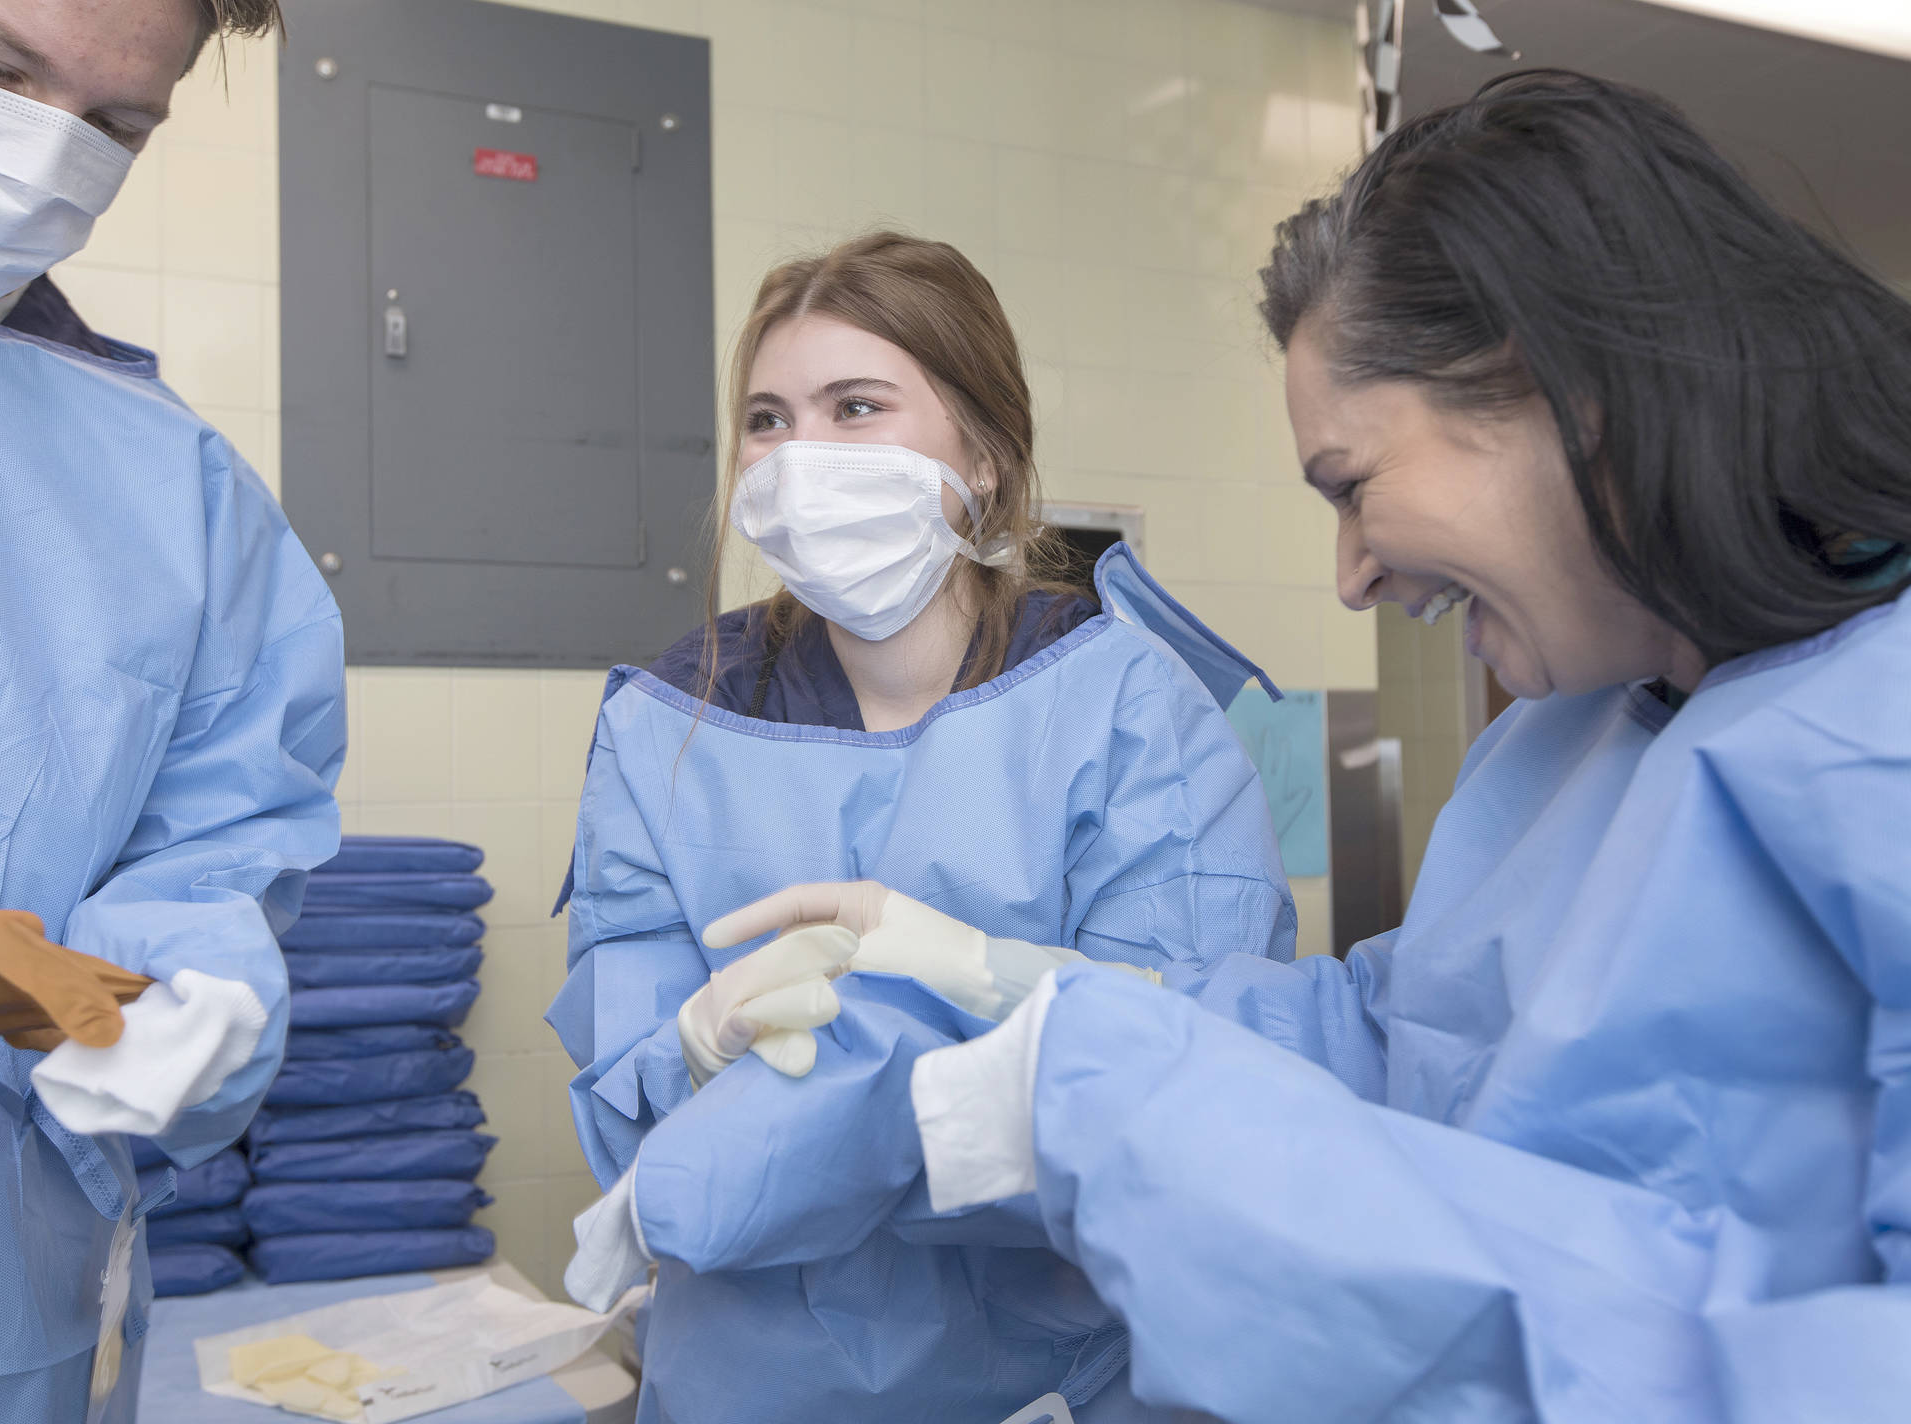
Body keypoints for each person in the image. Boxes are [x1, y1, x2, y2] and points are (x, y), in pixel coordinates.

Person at [704, 71, 1911, 1421]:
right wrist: (1026, 994)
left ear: (1573, 395)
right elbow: (1406, 1041)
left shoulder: (1872, 748)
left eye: (1352, 486)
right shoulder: (1573, 742)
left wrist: (1115, 1110)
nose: (1349, 579)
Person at [546, 231, 1295, 1422]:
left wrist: (835, 1099)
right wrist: (688, 1045)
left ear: (985, 458)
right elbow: (626, 1089)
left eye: (855, 408)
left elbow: (1176, 1070)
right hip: (743, 1379)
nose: (799, 460)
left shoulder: (1125, 704)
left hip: (1058, 1375)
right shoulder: (666, 718)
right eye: (767, 419)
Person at [0, 2, 345, 1421]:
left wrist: (179, 998)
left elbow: (212, 848)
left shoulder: (177, 495)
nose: (36, 157)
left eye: (115, 126)